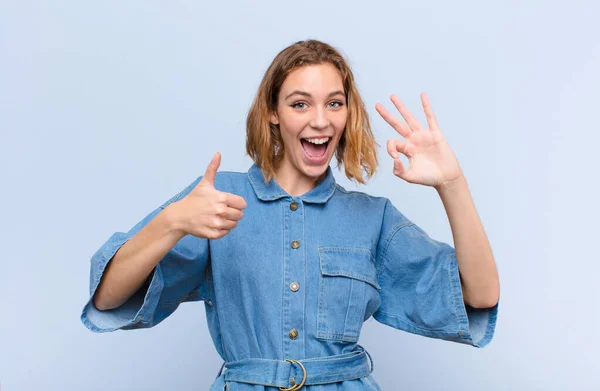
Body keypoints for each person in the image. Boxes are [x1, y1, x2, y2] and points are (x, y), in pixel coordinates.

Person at [81, 39, 500, 390]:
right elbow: (108, 298)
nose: (320, 120)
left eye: (334, 103)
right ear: (272, 113)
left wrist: (452, 182)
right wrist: (171, 222)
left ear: (347, 114)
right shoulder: (217, 198)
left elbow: (480, 297)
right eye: (301, 104)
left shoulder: (373, 219)